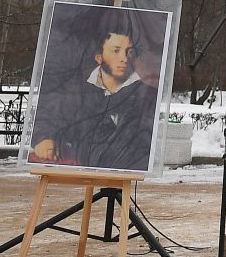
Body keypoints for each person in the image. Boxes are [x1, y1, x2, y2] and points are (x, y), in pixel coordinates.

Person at [30, 23, 157, 172]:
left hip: (125, 168)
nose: (124, 58)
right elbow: (49, 118)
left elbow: (141, 142)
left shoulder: (146, 95)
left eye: (129, 52)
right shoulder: (77, 91)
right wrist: (43, 139)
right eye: (116, 51)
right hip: (79, 169)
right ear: (99, 57)